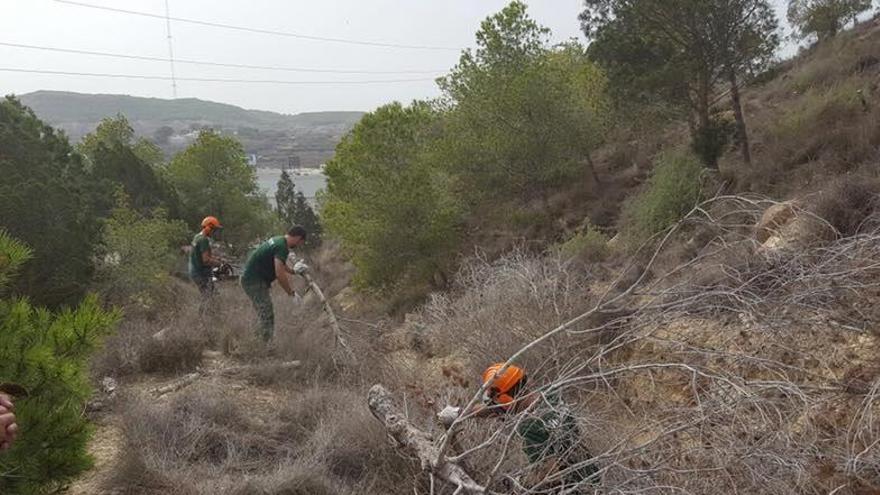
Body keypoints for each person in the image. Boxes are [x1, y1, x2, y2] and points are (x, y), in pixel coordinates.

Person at [441, 363, 600, 490]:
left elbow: (551, 474)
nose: (494, 404)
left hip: (576, 487)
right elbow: (498, 409)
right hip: (592, 472)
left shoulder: (529, 426)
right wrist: (461, 413)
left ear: (507, 399)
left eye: (496, 399)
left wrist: (518, 482)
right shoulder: (549, 394)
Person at [240, 226, 307, 341]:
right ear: (298, 238)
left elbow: (280, 264)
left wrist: (293, 271)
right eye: (301, 242)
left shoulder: (279, 240)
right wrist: (291, 293)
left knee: (263, 313)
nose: (299, 245)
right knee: (266, 313)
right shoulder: (282, 246)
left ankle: (257, 340)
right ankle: (264, 346)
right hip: (254, 281)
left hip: (252, 280)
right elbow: (279, 274)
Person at [189, 216, 224, 310]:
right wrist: (219, 264)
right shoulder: (203, 240)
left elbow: (202, 256)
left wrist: (217, 259)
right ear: (209, 228)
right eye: (214, 229)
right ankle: (203, 318)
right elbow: (206, 260)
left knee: (208, 295)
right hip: (200, 273)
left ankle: (206, 317)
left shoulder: (197, 237)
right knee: (208, 296)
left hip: (195, 271)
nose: (214, 232)